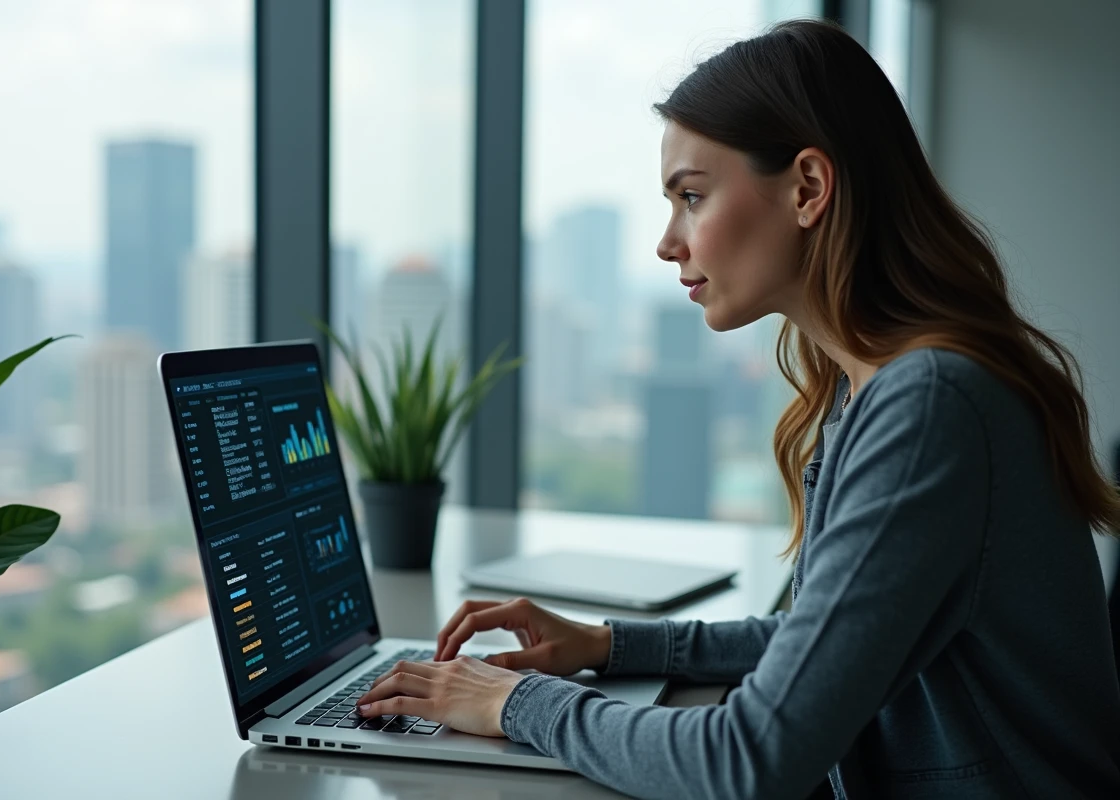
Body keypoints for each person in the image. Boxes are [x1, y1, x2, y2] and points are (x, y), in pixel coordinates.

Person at [356, 18, 1120, 799]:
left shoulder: (929, 405)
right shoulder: (874, 386)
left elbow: (748, 760)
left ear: (808, 189)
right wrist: (606, 644)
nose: (667, 242)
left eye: (692, 197)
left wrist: (515, 701)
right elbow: (815, 639)